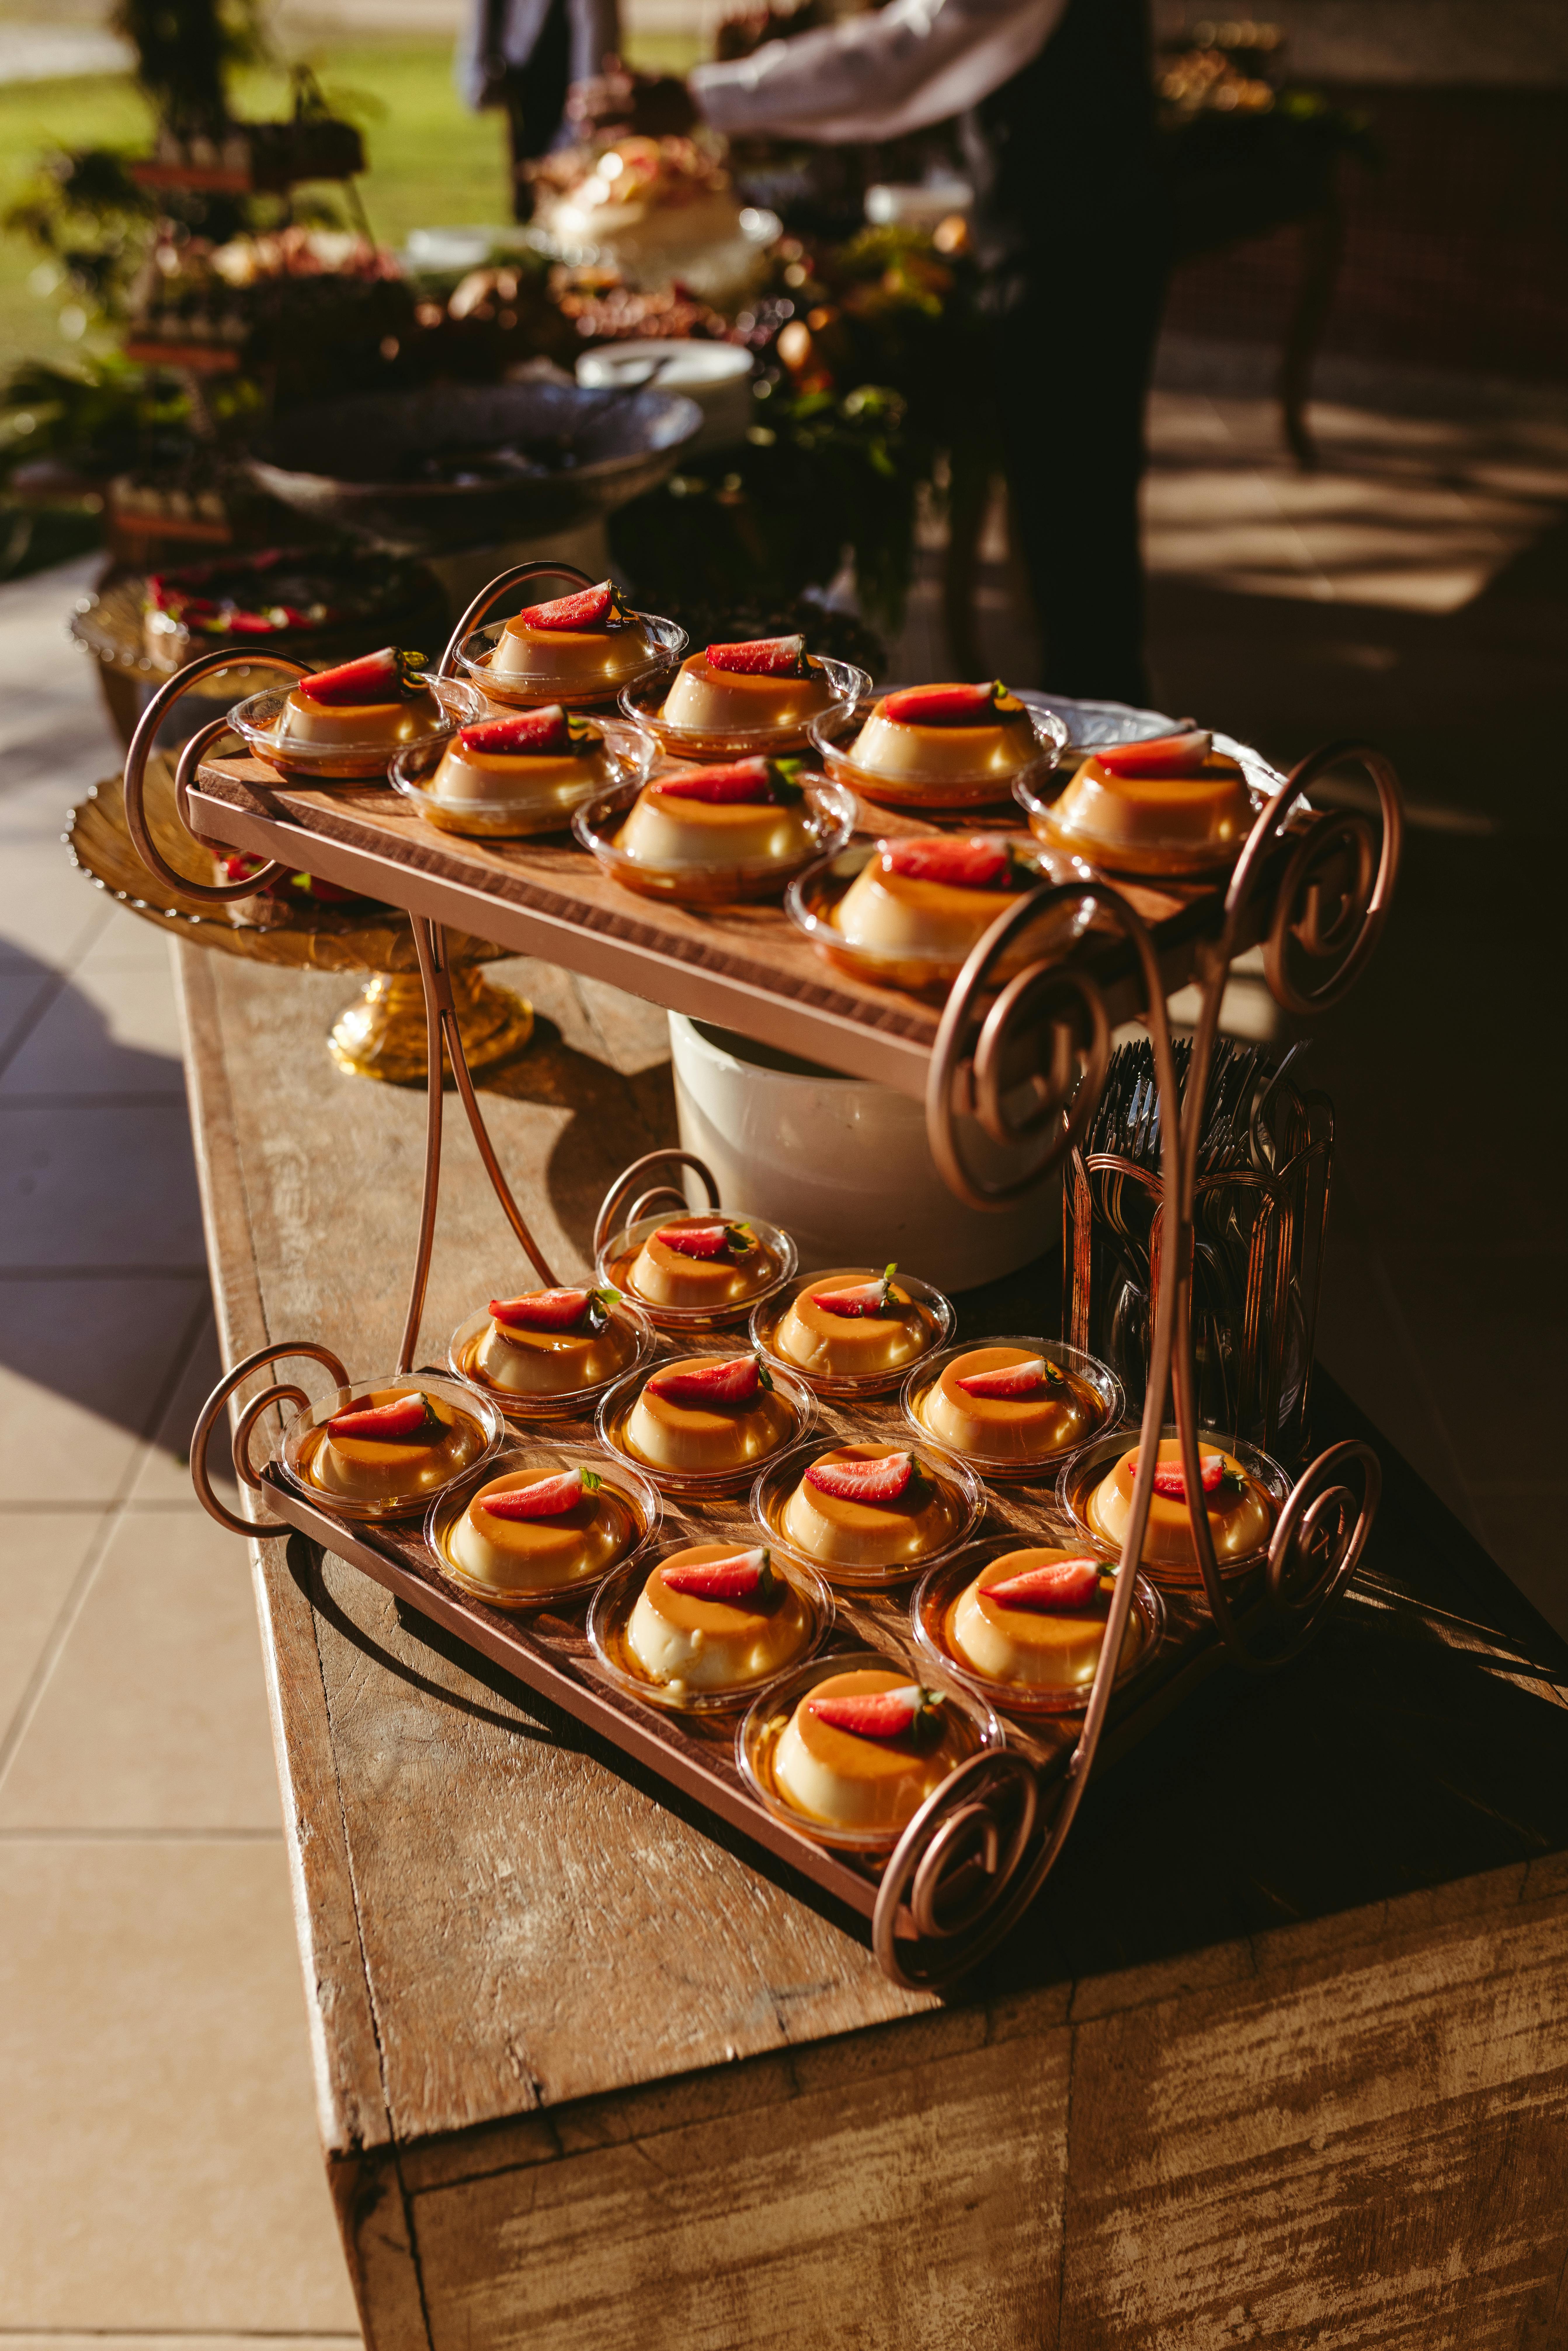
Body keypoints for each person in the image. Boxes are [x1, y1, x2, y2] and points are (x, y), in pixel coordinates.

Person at [582, 0, 1168, 704]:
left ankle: (1110, 745)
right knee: (1077, 518)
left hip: (1072, 250)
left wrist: (707, 96)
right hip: (1076, 234)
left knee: (1077, 524)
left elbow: (910, 52)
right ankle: (1103, 719)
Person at [458, 0, 621, 220]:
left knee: (573, 224)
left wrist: (566, 156)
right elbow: (475, 82)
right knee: (529, 219)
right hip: (523, 120)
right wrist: (484, 78)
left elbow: (593, 83)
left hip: (574, 137)